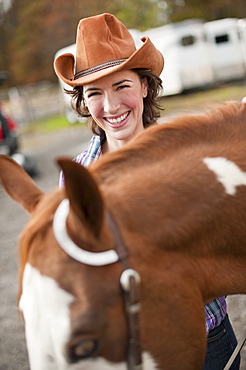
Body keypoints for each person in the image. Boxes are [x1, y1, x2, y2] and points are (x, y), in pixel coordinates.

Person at [54, 13, 240, 370]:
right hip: (131, 345)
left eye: (122, 86)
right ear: (83, 101)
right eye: (95, 93)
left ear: (144, 85)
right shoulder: (77, 179)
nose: (110, 107)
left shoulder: (187, 153)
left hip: (207, 335)